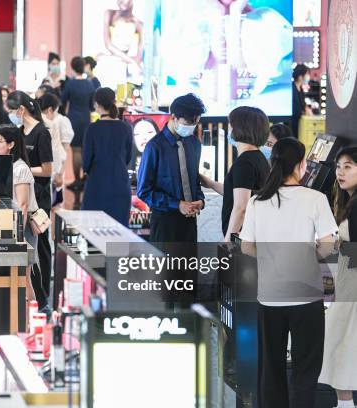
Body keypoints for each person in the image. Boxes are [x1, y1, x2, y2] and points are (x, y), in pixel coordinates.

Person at [240, 138, 337, 408]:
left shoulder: (259, 201)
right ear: (301, 164)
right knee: (306, 368)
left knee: (271, 367)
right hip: (307, 295)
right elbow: (328, 244)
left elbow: (247, 246)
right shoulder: (315, 198)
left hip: (269, 296)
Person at [6, 91, 53, 310]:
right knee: (24, 252)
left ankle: (43, 299)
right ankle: (30, 297)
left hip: (38, 199)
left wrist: (21, 171)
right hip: (19, 195)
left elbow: (47, 169)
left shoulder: (42, 133)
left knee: (39, 248)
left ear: (21, 110)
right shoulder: (18, 132)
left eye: (11, 110)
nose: (10, 115)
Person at [137, 93, 206, 243]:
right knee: (166, 266)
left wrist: (200, 200)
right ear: (173, 117)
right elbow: (144, 191)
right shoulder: (154, 147)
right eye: (188, 122)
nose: (191, 127)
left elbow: (194, 180)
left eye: (196, 122)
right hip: (164, 223)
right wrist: (177, 204)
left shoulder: (194, 144)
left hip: (189, 223)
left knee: (189, 266)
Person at [319, 146, 357, 408]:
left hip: (352, 284)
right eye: (338, 166)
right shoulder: (348, 201)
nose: (340, 173)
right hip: (347, 281)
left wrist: (335, 244)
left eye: (348, 166)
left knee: (341, 340)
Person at [200, 106, 270, 241]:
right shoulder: (258, 157)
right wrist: (211, 183)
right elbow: (239, 192)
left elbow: (241, 207)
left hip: (243, 239)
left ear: (240, 128)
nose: (229, 130)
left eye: (231, 125)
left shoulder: (244, 163)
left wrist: (228, 240)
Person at [0, 124, 41, 303]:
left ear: (11, 144)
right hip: (6, 224)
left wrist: (17, 234)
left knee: (24, 278)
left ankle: (32, 320)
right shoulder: (0, 164)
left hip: (22, 228)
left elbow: (23, 205)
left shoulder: (20, 168)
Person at [82, 88, 132, 226]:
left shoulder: (92, 129)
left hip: (97, 186)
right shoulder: (126, 128)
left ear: (96, 104)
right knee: (119, 235)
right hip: (120, 185)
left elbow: (86, 163)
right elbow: (128, 158)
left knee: (95, 234)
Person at [62, 57, 96, 183]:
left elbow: (63, 101)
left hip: (73, 119)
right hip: (86, 118)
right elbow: (92, 106)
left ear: (72, 67)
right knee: (85, 149)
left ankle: (77, 181)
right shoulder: (89, 84)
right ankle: (84, 178)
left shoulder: (70, 83)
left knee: (75, 150)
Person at [38, 92, 74, 200]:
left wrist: (60, 172)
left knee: (54, 197)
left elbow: (64, 148)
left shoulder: (61, 121)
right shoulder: (43, 121)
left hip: (55, 165)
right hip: (48, 164)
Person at [292, 64, 310, 138]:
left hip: (300, 122)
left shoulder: (301, 89)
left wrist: (307, 109)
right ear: (300, 76)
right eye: (307, 74)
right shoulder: (292, 89)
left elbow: (303, 105)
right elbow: (296, 108)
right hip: (292, 124)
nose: (308, 76)